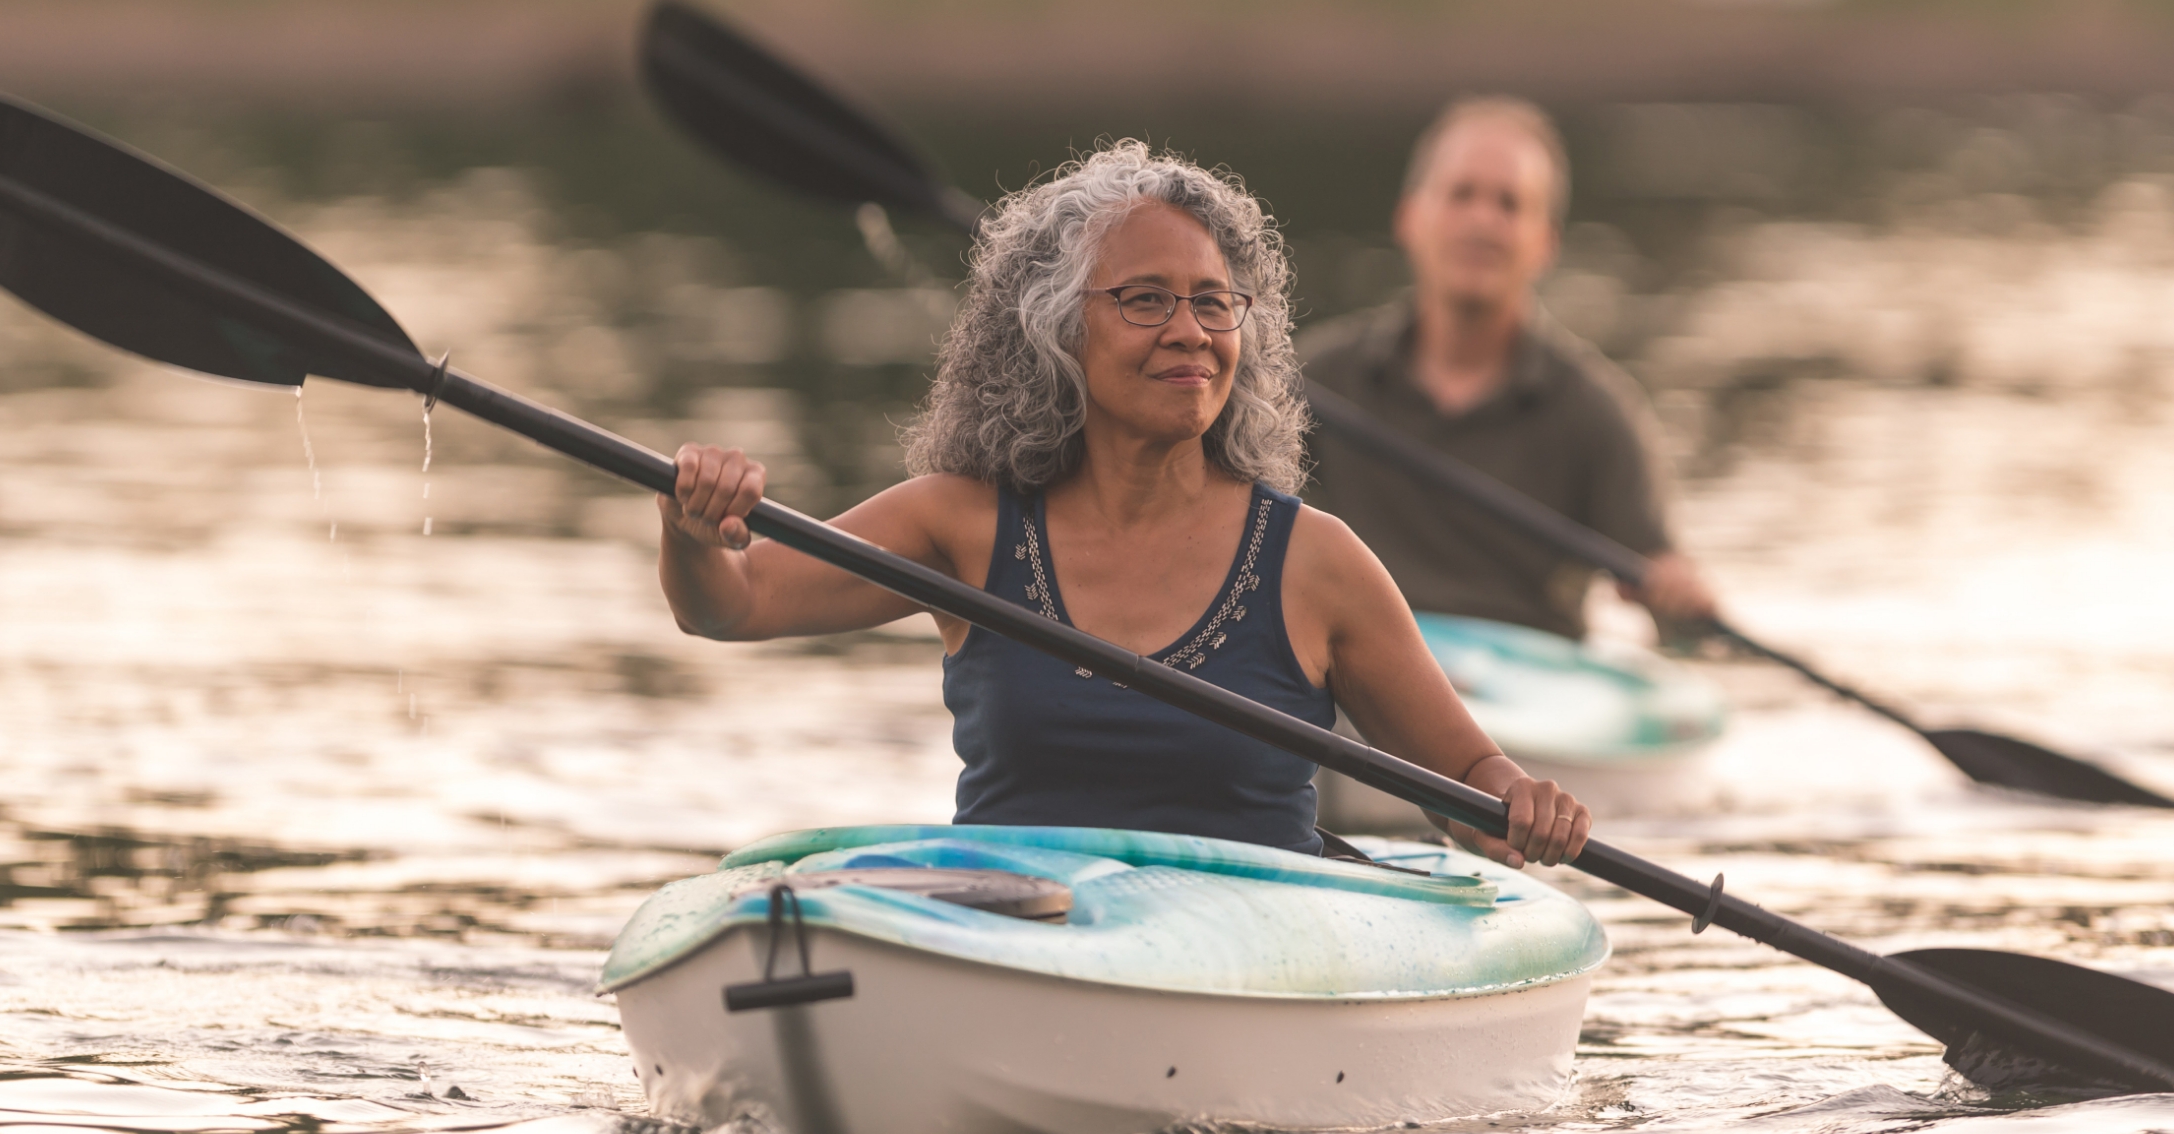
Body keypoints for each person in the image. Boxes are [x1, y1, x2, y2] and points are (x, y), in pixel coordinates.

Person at [656, 140, 1590, 870]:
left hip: (1258, 962)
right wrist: (693, 529)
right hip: (1019, 941)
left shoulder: (1316, 562)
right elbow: (730, 604)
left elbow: (1468, 781)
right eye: (1145, 301)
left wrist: (1521, 804)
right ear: (1059, 329)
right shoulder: (960, 525)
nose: (1189, 333)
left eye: (1213, 304)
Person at [1303, 96, 1717, 641]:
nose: (1482, 222)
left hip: (1530, 699)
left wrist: (1680, 596)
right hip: (1355, 678)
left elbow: (1670, 610)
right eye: (1461, 195)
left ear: (1545, 242)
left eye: (1509, 204)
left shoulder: (1597, 412)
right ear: (1409, 218)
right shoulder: (1315, 379)